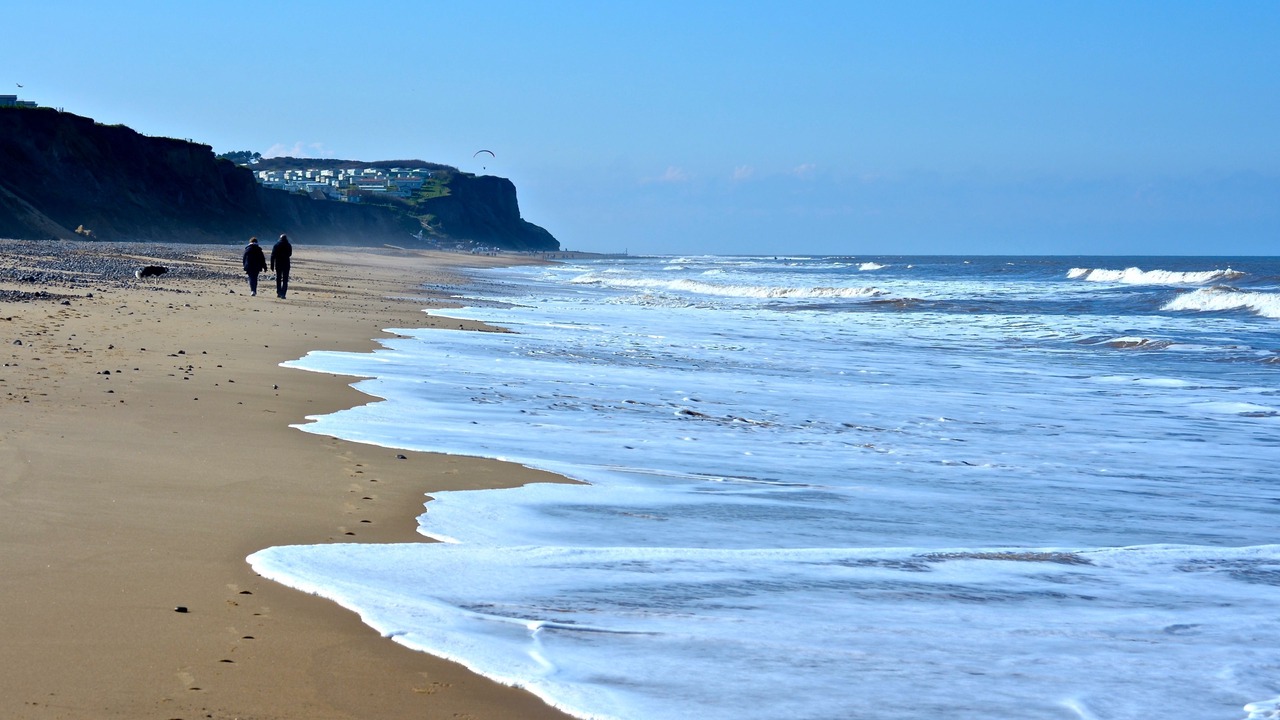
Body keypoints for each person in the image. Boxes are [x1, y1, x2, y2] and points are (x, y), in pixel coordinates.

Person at [270, 233, 293, 299]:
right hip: (286, 264)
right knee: (285, 279)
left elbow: (272, 256)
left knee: (278, 278)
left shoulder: (276, 245)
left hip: (278, 264)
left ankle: (279, 292)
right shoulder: (288, 245)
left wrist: (272, 265)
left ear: (280, 238)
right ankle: (283, 293)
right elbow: (290, 254)